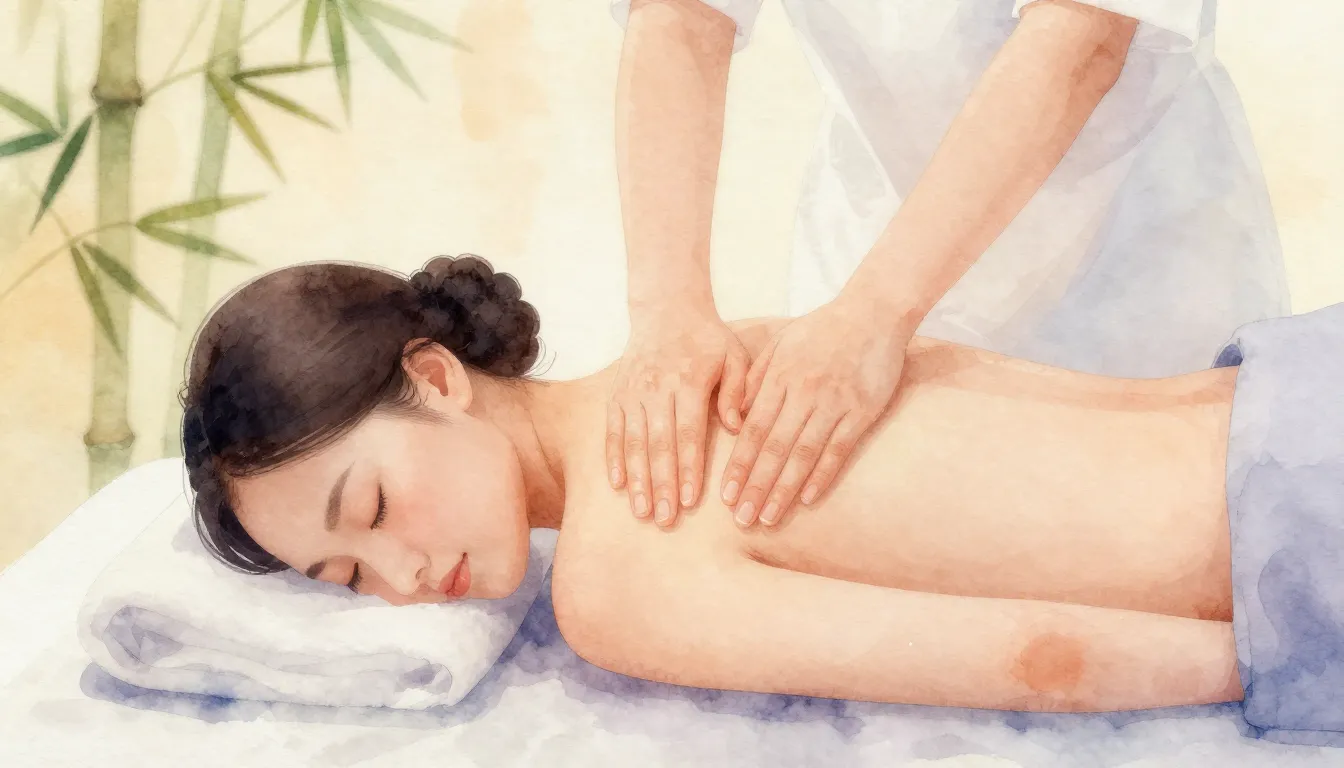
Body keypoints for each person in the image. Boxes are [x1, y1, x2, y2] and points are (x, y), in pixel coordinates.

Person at [181, 254, 1328, 718]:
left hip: (1306, 530)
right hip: (1289, 383)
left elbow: (1041, 660)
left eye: (372, 512)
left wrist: (1298, 668)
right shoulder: (708, 357)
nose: (402, 579)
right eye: (345, 578)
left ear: (436, 378)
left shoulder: (614, 583)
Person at [604, 0, 1290, 533]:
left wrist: (876, 313)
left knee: (1148, 548)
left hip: (1129, 253)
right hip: (871, 242)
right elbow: (681, 17)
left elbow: (1082, 40)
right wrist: (667, 310)